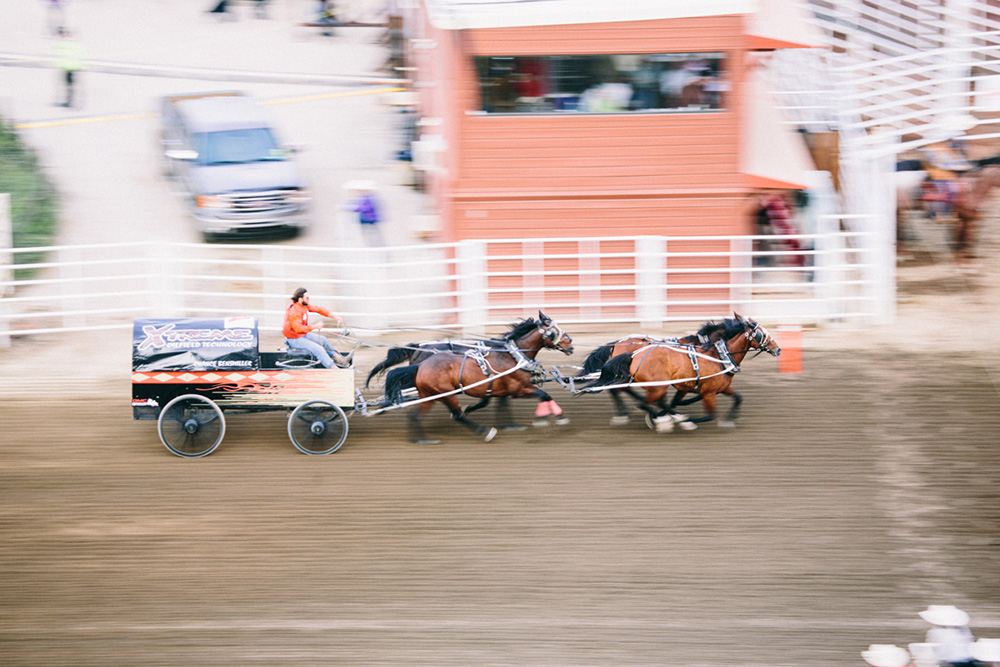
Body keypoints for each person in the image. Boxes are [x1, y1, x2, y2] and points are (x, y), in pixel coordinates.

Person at [282, 287, 353, 369]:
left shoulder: (303, 306)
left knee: (323, 340)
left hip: (301, 335)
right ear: (300, 299)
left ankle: (341, 361)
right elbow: (298, 328)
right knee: (319, 349)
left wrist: (334, 316)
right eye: (307, 298)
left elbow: (319, 309)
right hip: (293, 339)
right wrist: (315, 326)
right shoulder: (294, 310)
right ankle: (334, 368)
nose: (309, 299)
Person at [52, 27, 83, 108]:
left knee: (69, 85)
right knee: (69, 85)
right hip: (71, 66)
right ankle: (70, 101)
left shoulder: (65, 43)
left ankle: (70, 101)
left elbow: (62, 54)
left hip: (70, 67)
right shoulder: (72, 42)